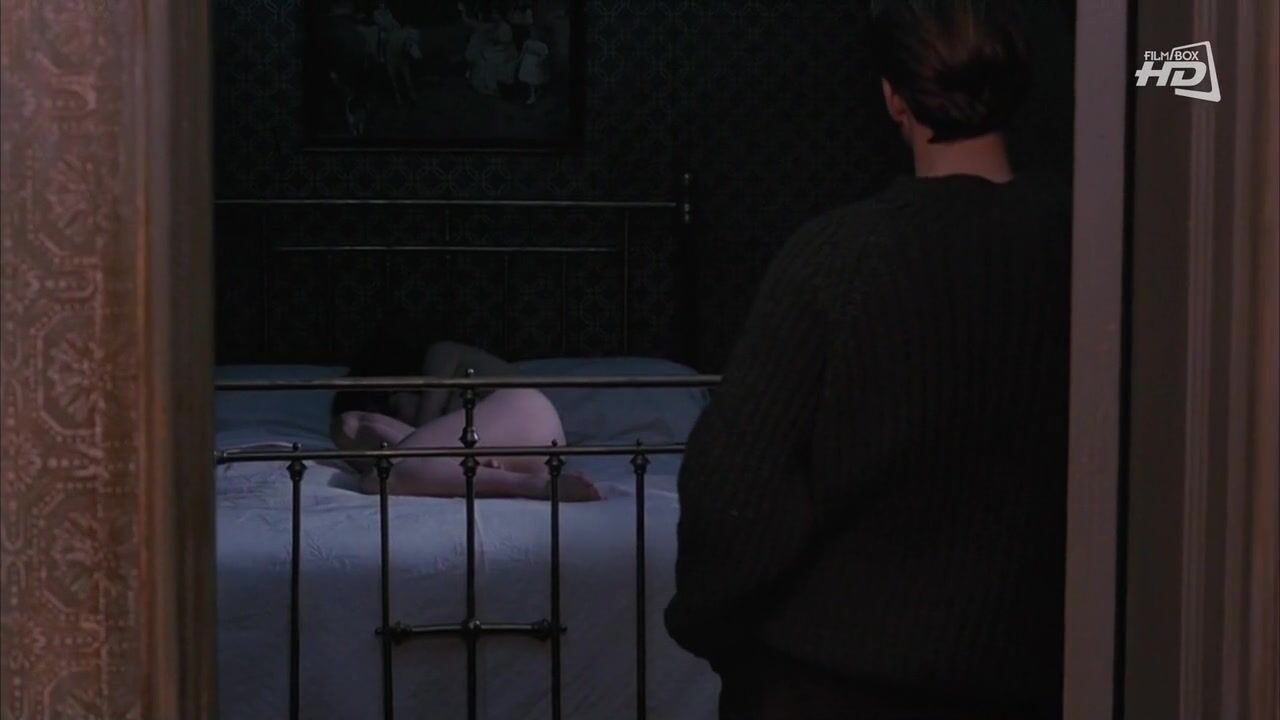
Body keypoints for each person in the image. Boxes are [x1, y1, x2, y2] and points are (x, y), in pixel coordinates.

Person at [664, 2, 1069, 719]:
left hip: (832, 681)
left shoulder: (837, 260)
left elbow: (733, 495)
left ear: (894, 96)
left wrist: (718, 633)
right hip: (1042, 677)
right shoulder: (1091, 247)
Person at [331, 340, 601, 502]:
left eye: (395, 407)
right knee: (349, 428)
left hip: (528, 415)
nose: (400, 416)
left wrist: (402, 437)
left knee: (377, 474)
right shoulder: (453, 422)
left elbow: (421, 429)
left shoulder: (442, 355)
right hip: (527, 452)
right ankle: (517, 481)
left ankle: (530, 485)